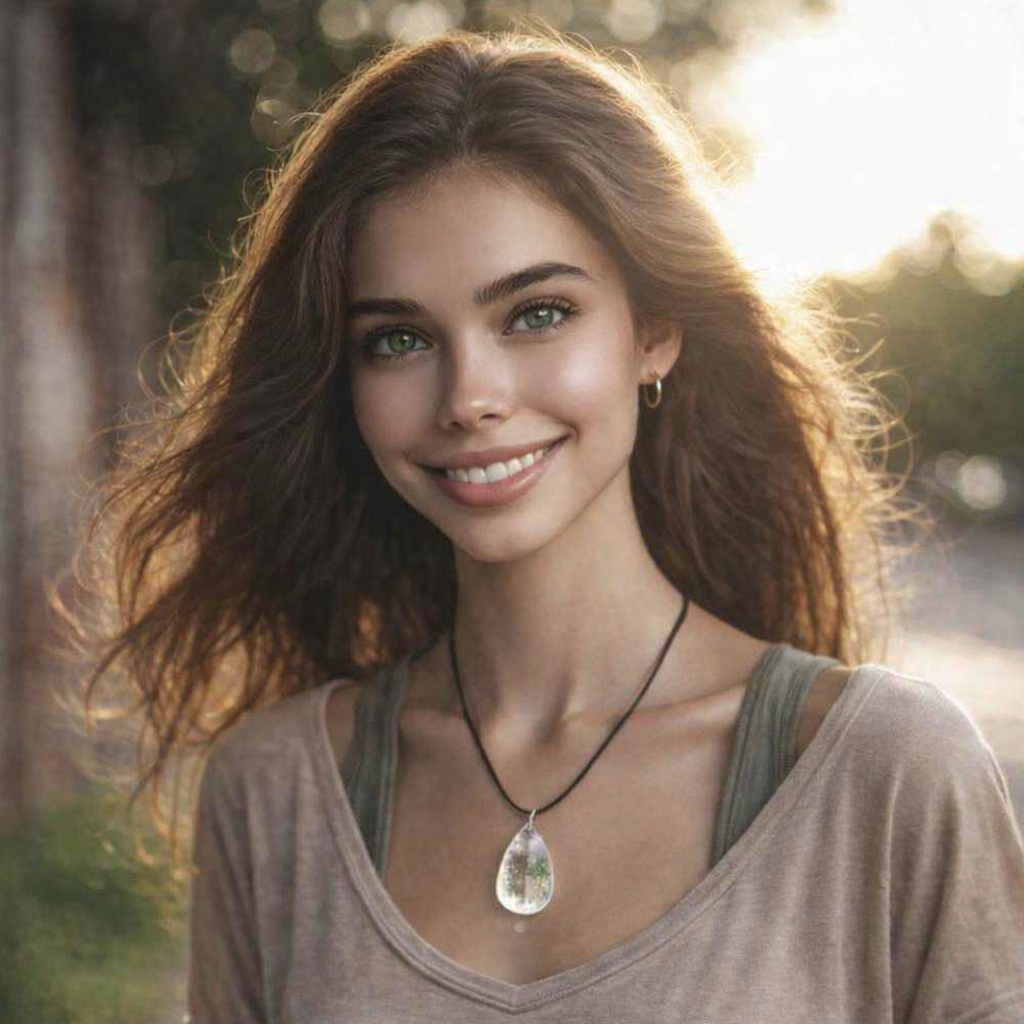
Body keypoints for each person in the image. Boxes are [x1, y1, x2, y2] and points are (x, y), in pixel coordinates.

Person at [65, 25, 1022, 1024]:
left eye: (534, 313)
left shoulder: (889, 770)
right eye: (397, 339)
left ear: (651, 330)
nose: (468, 396)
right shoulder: (274, 794)